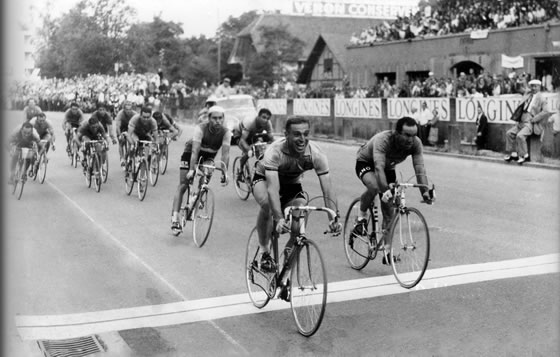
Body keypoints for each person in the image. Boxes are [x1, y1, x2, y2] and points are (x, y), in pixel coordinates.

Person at [252, 116, 341, 272]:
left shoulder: (316, 154)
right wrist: (279, 218)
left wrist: (333, 217)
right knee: (267, 205)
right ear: (286, 135)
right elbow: (273, 189)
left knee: (300, 213)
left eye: (306, 134)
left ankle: (287, 264)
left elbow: (328, 188)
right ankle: (264, 251)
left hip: (292, 183)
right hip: (265, 179)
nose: (302, 139)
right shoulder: (275, 152)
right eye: (297, 134)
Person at [352, 116, 433, 265]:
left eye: (414, 135)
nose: (411, 139)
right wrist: (385, 190)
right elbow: (378, 167)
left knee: (390, 211)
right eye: (407, 135)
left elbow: (420, 168)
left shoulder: (415, 144)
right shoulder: (383, 140)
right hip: (367, 162)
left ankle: (387, 253)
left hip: (388, 168)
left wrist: (425, 192)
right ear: (397, 133)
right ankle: (361, 217)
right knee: (375, 187)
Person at [171, 106, 231, 231]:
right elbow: (195, 151)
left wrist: (225, 172)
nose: (218, 121)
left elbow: (225, 153)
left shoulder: (226, 132)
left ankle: (196, 197)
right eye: (214, 118)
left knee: (206, 176)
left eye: (220, 118)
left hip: (208, 156)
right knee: (183, 184)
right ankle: (175, 218)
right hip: (191, 153)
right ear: (209, 118)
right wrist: (192, 169)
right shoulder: (201, 128)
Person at [504, 79, 549, 164]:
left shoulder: (542, 99)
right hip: (521, 120)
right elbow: (521, 88)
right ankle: (511, 153)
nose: (533, 88)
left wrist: (535, 118)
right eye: (532, 86)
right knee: (509, 133)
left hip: (530, 122)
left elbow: (546, 111)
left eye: (535, 86)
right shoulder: (528, 94)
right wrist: (521, 80)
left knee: (520, 136)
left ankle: (524, 155)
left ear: (539, 87)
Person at [236, 108, 275, 180]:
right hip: (240, 135)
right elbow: (242, 140)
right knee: (249, 152)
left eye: (267, 118)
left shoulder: (268, 123)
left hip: (253, 134)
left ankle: (258, 170)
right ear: (258, 116)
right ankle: (240, 169)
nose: (265, 120)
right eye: (263, 117)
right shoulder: (250, 122)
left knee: (260, 148)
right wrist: (248, 150)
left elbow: (271, 137)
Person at [114, 101, 137, 166]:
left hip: (130, 128)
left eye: (130, 109)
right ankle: (122, 158)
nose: (128, 111)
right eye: (127, 109)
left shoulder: (135, 114)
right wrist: (120, 135)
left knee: (132, 142)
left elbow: (138, 125)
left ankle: (129, 155)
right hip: (122, 128)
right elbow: (118, 126)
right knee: (122, 142)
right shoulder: (120, 114)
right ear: (124, 109)